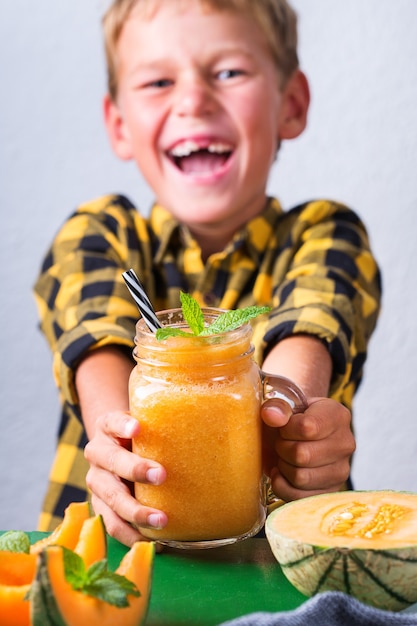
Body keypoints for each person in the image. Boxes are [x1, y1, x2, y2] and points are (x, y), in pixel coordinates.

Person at [34, 0, 381, 547]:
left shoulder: (324, 231)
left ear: (290, 104)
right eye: (157, 82)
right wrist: (118, 442)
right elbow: (96, 338)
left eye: (228, 72)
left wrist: (283, 412)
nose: (193, 101)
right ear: (119, 124)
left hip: (282, 583)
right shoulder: (99, 232)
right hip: (112, 570)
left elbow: (314, 320)